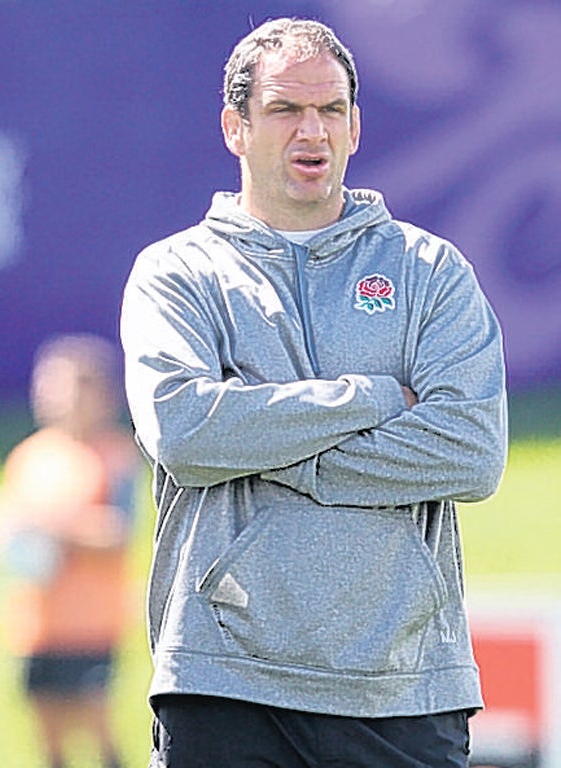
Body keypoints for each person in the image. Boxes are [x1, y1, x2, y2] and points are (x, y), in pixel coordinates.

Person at [119, 17, 508, 768]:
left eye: (331, 110)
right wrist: (369, 397)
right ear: (236, 127)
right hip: (223, 679)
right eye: (286, 109)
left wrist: (268, 447)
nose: (312, 131)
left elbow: (471, 452)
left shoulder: (429, 271)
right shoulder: (177, 274)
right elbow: (187, 433)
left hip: (401, 687)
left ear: (356, 127)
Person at [0, 334, 143, 768]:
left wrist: (52, 526)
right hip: (37, 624)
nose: (58, 397)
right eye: (48, 385)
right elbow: (15, 533)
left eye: (71, 386)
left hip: (91, 624)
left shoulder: (116, 457)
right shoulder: (28, 457)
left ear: (101, 394)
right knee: (48, 735)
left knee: (98, 731)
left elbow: (119, 533)